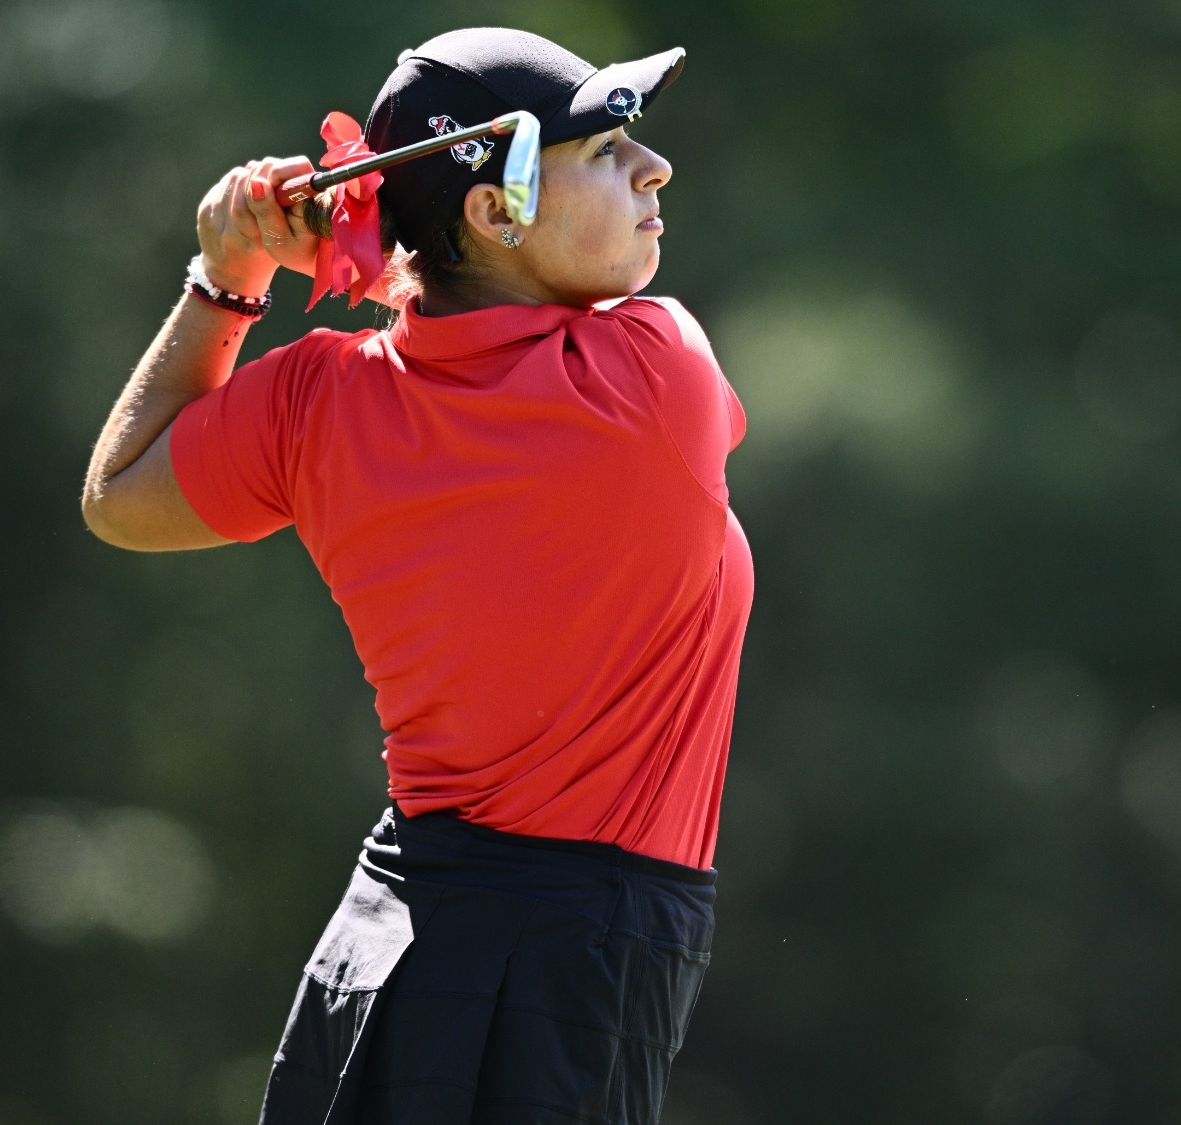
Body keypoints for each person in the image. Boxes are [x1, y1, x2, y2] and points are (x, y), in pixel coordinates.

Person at [80, 27, 753, 1125]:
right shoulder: (654, 372)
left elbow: (119, 496)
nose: (652, 168)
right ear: (496, 212)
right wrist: (364, 256)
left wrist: (230, 275)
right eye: (602, 150)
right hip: (572, 961)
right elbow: (504, 343)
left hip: (386, 928)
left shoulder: (316, 400)